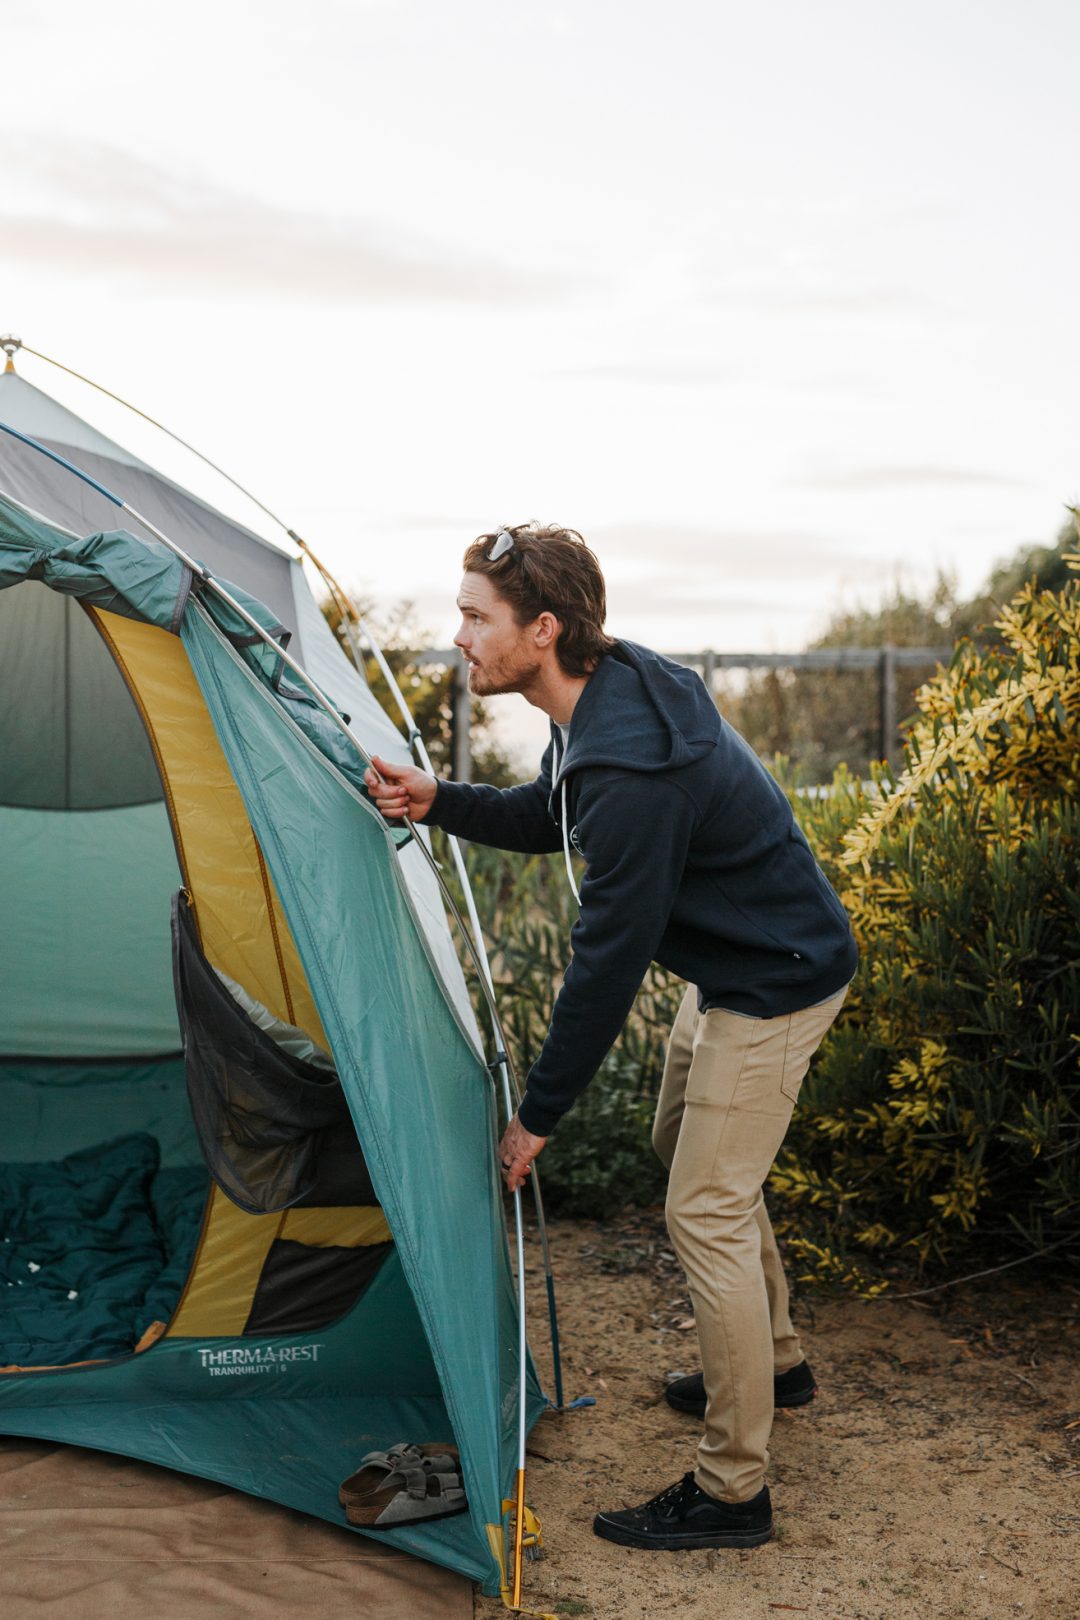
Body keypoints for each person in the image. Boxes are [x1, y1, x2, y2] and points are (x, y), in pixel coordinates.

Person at [364, 522, 858, 1553]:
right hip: (739, 968)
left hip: (776, 981)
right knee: (688, 1155)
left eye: (474, 617)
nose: (458, 636)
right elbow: (557, 812)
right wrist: (442, 798)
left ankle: (733, 1493)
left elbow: (603, 964)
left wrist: (535, 1119)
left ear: (542, 630)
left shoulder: (631, 769)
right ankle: (777, 1363)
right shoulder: (600, 700)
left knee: (705, 1212)